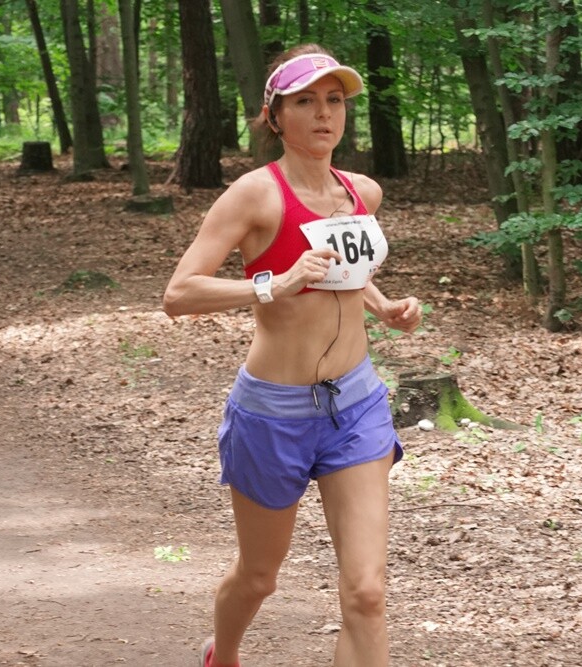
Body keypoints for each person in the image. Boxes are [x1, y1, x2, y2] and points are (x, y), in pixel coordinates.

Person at [162, 43, 422, 667]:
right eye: (305, 101)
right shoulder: (255, 196)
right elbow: (178, 294)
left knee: (367, 593)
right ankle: (223, 655)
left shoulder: (362, 192)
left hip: (355, 405)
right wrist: (271, 285)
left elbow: (346, 274)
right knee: (259, 577)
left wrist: (383, 306)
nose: (324, 113)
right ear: (275, 116)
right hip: (273, 413)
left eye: (334, 100)